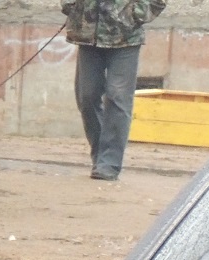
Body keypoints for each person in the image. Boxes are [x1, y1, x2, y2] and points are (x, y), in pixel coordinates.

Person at [63, 0, 167, 181]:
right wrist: (70, 6)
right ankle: (100, 156)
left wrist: (134, 14)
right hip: (88, 35)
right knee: (86, 96)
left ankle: (109, 163)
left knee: (118, 97)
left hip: (125, 38)